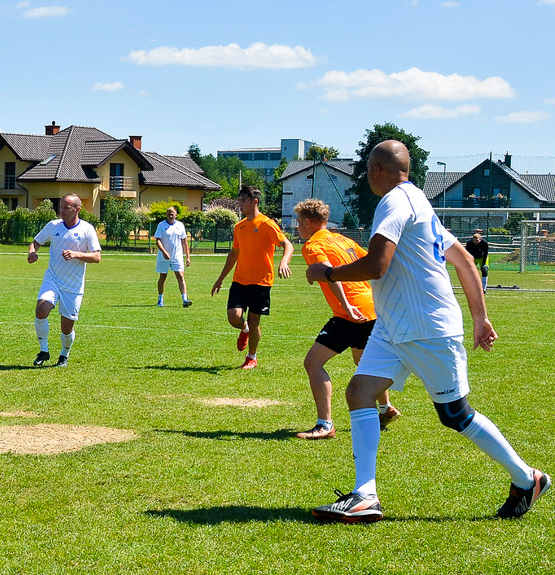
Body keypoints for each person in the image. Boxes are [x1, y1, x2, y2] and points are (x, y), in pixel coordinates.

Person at [307, 140, 548, 523]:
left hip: (425, 327)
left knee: (456, 414)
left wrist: (329, 273)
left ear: (376, 170)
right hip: (395, 326)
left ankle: (527, 477)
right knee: (360, 392)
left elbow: (378, 265)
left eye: (368, 166)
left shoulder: (394, 202)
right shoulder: (419, 199)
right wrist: (481, 318)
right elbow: (465, 260)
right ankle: (365, 494)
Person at [293, 199, 399, 440]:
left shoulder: (312, 245)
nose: (297, 228)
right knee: (363, 360)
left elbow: (330, 274)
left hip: (351, 312)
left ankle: (325, 425)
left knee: (313, 363)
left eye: (299, 223)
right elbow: (373, 263)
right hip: (372, 307)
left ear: (308, 223)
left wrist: (347, 306)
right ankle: (385, 408)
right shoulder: (343, 239)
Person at [211, 186, 294, 369]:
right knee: (234, 317)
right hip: (240, 280)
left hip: (261, 281)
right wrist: (220, 278)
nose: (239, 204)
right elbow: (234, 253)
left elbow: (287, 245)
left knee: (255, 320)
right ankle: (244, 328)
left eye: (242, 200)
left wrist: (284, 262)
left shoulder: (267, 224)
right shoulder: (239, 227)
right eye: (239, 200)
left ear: (254, 201)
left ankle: (251, 357)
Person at [28, 193, 101, 367]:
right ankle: (44, 351)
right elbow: (36, 242)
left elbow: (97, 257)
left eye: (66, 208)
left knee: (66, 328)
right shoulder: (53, 226)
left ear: (78, 209)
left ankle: (64, 355)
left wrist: (77, 254)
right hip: (52, 279)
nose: (62, 211)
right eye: (61, 207)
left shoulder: (87, 229)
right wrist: (32, 252)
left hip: (73, 285)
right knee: (41, 310)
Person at [154, 206, 192, 307]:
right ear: (166, 215)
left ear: (176, 215)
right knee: (163, 277)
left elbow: (184, 241)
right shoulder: (161, 225)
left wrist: (188, 257)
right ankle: (160, 299)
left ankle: (185, 300)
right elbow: (157, 240)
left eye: (172, 214)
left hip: (177, 256)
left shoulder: (180, 225)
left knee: (180, 275)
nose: (171, 216)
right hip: (164, 257)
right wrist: (164, 252)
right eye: (169, 214)